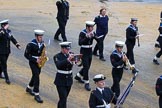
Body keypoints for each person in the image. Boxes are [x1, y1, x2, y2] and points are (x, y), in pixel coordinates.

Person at [24, 29, 45, 103]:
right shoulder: (31, 44)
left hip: (39, 62)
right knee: (36, 76)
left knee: (35, 75)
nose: (41, 38)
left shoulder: (42, 43)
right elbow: (26, 55)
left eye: (41, 37)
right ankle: (37, 94)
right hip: (33, 62)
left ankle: (28, 88)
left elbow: (42, 52)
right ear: (36, 37)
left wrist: (43, 57)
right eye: (39, 37)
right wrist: (35, 60)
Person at [75, 21, 96, 91]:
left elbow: (98, 40)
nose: (92, 28)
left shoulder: (93, 32)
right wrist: (87, 37)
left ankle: (78, 76)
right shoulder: (82, 33)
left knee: (87, 67)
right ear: (87, 27)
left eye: (93, 27)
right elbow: (80, 43)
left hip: (90, 51)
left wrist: (96, 37)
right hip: (84, 51)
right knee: (86, 67)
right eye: (91, 27)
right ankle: (86, 82)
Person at [53, 42, 74, 108]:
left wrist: (77, 61)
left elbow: (79, 64)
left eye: (69, 49)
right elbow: (58, 65)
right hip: (61, 80)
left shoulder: (71, 55)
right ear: (62, 49)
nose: (68, 50)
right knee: (63, 98)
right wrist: (67, 60)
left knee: (63, 99)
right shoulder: (57, 56)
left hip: (69, 80)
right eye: (66, 49)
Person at [0, 19, 21, 84]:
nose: (8, 26)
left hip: (7, 51)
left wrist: (17, 44)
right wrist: (3, 30)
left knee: (3, 63)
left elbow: (12, 38)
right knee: (4, 64)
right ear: (3, 25)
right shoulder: (1, 31)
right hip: (1, 51)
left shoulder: (8, 31)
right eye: (6, 25)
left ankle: (0, 74)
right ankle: (7, 78)